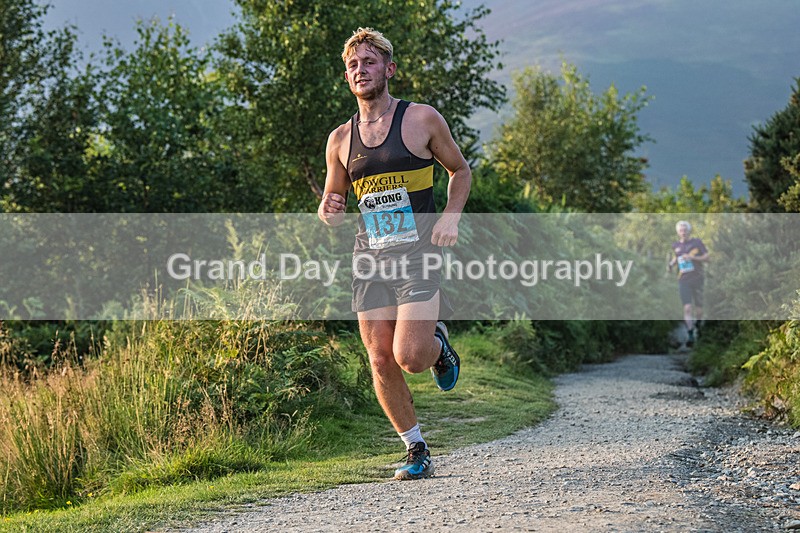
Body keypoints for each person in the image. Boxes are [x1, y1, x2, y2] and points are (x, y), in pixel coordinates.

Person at [317, 28, 471, 480]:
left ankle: (439, 346)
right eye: (352, 65)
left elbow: (459, 170)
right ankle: (415, 447)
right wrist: (329, 209)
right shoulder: (340, 140)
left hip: (419, 251)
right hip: (370, 256)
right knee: (380, 357)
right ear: (347, 77)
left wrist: (450, 216)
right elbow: (333, 204)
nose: (360, 70)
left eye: (368, 61)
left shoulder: (421, 120)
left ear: (389, 69)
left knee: (411, 357)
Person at [667, 220, 709, 346]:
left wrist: (692, 258)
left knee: (699, 309)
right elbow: (677, 257)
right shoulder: (676, 245)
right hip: (683, 280)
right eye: (681, 230)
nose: (683, 232)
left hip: (697, 278)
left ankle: (699, 325)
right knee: (687, 307)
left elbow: (707, 258)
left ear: (689, 231)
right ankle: (690, 334)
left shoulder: (697, 243)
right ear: (678, 232)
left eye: (685, 230)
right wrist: (671, 264)